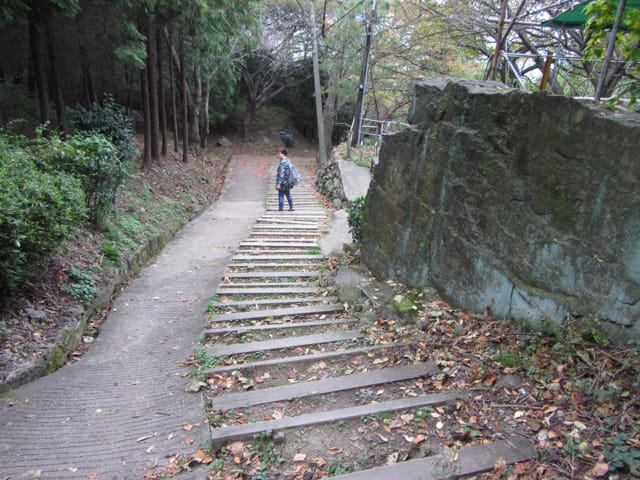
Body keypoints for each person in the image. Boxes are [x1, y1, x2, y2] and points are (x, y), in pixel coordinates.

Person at [275, 147, 295, 211]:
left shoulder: (283, 163)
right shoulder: (288, 161)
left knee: (281, 195)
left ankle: (281, 208)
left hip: (283, 183)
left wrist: (278, 184)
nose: (277, 155)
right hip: (288, 181)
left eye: (279, 153)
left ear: (282, 154)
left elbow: (281, 174)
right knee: (288, 195)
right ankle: (291, 207)